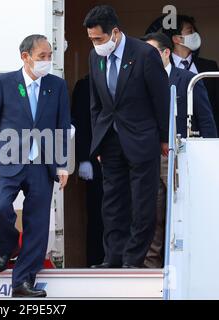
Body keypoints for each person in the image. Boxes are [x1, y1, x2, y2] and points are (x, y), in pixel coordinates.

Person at [0, 34, 71, 297]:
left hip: (41, 164)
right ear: (25, 57)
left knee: (38, 223)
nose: (47, 61)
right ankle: (8, 247)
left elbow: (62, 127)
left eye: (49, 56)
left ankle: (22, 280)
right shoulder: (4, 82)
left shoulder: (57, 86)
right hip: (6, 160)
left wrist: (63, 164)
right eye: (42, 56)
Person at [84, 5, 170, 268]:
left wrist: (164, 138)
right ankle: (113, 258)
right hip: (109, 140)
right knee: (112, 203)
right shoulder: (94, 56)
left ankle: (133, 259)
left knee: (142, 203)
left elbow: (161, 99)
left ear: (115, 32)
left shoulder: (144, 54)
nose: (95, 44)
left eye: (99, 38)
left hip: (142, 139)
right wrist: (97, 140)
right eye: (91, 39)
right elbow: (95, 103)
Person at [142, 32, 217, 268]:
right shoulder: (139, 81)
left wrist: (210, 156)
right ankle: (151, 266)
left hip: (181, 156)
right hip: (149, 156)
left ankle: (186, 265)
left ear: (166, 53)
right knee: (151, 214)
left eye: (152, 53)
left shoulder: (186, 78)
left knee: (183, 213)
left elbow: (205, 119)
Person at [163, 15, 219, 136]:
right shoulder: (164, 67)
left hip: (207, 136)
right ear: (177, 39)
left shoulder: (209, 66)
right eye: (190, 31)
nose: (195, 34)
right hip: (174, 138)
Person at [71, 75, 104, 267]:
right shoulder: (85, 85)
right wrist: (83, 159)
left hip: (125, 162)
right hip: (94, 162)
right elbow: (79, 124)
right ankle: (96, 261)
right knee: (97, 216)